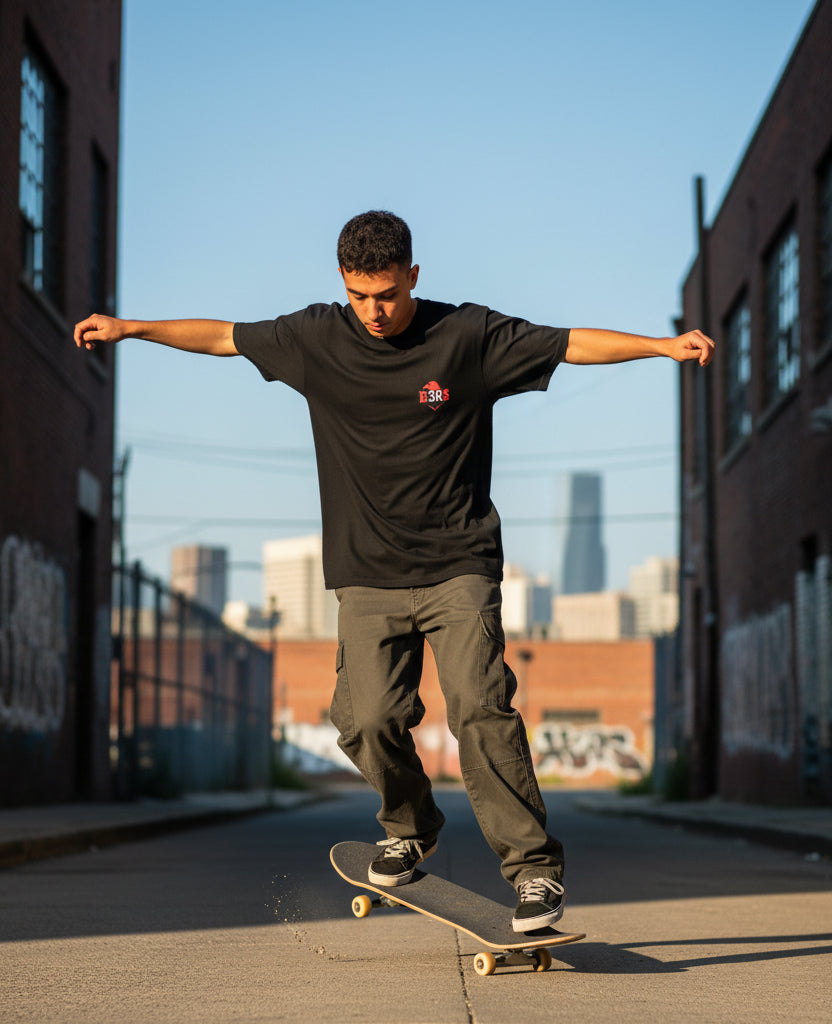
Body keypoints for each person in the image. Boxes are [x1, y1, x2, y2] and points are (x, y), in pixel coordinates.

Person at [74, 209, 714, 932]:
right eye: (359, 296)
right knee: (366, 719)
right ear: (342, 284)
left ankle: (533, 873)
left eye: (387, 294)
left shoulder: (466, 336)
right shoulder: (316, 337)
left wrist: (662, 347)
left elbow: (569, 344)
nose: (374, 312)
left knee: (479, 705)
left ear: (413, 275)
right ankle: (410, 827)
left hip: (457, 567)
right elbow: (223, 336)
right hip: (367, 575)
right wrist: (132, 328)